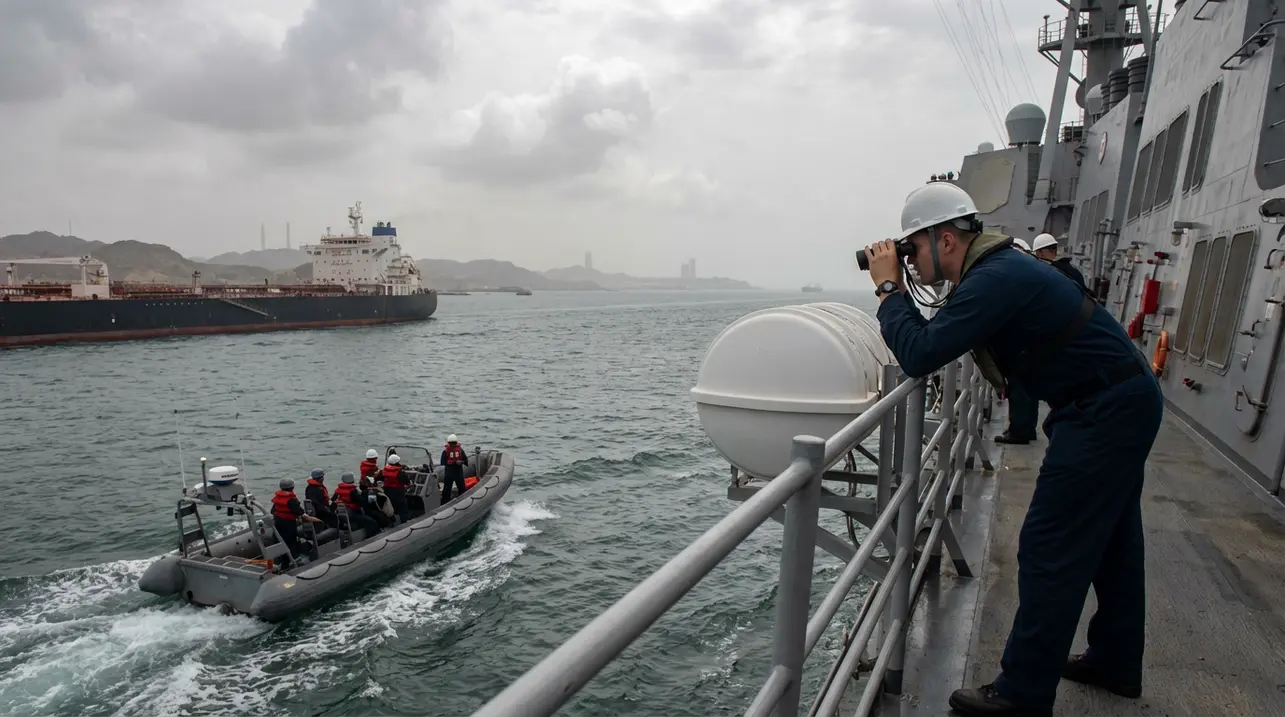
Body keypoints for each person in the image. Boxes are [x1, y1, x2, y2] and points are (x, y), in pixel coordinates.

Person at [862, 181, 1163, 717]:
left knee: (1050, 546)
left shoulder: (993, 278)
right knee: (1115, 543)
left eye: (913, 248)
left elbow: (921, 352)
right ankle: (1115, 660)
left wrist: (888, 291)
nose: (908, 261)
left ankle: (1023, 694)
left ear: (946, 240)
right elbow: (939, 336)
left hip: (1104, 411)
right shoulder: (997, 270)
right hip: (1113, 399)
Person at [270, 478, 325, 566]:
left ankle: (280, 562)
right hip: (288, 525)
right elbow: (304, 515)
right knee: (291, 542)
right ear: (292, 487)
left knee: (280, 542)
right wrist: (320, 521)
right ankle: (293, 561)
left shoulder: (277, 499)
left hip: (278, 524)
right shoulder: (292, 500)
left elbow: (272, 511)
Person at [332, 472, 381, 538]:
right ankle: (372, 537)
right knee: (371, 522)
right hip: (353, 514)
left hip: (342, 514)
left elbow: (333, 500)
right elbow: (362, 502)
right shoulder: (353, 491)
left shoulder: (338, 490)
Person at [380, 454, 410, 524]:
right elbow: (407, 482)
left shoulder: (383, 471)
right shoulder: (400, 473)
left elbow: (380, 478)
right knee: (403, 508)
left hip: (387, 492)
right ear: (397, 463)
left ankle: (391, 522)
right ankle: (405, 523)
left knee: (391, 508)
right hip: (398, 493)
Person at [441, 434, 469, 504]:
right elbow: (466, 460)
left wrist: (452, 462)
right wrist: (461, 462)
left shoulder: (445, 451)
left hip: (449, 472)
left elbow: (443, 462)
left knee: (447, 489)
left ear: (448, 442)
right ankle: (463, 502)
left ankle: (445, 502)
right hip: (458, 472)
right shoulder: (460, 450)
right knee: (461, 488)